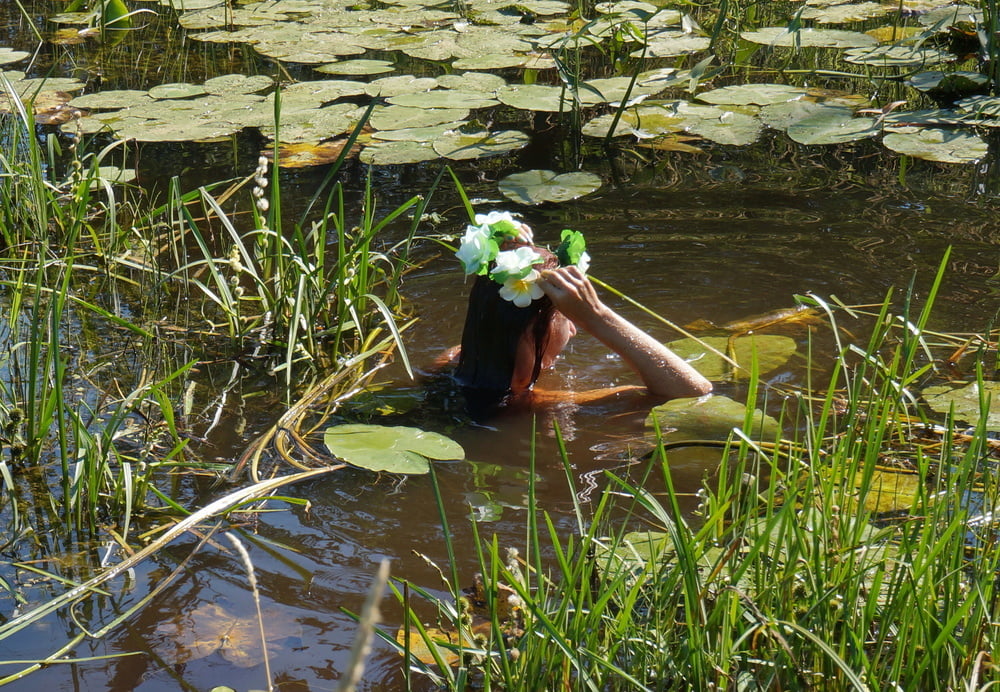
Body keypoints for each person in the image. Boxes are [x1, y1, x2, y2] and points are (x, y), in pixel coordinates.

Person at [443, 211, 712, 418]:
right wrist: (596, 316)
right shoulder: (541, 405)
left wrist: (510, 258)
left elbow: (494, 323)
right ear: (526, 353)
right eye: (567, 317)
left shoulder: (449, 363)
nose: (573, 329)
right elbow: (692, 393)